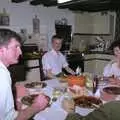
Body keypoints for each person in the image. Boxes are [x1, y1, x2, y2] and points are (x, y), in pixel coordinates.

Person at [0, 28, 49, 120]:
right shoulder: (2, 74)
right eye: (16, 47)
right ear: (1, 50)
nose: (20, 52)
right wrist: (37, 106)